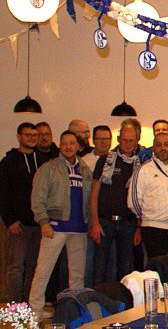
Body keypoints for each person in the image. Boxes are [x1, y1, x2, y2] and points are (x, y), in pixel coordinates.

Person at [28, 132, 91, 318]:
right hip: (54, 228)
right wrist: (43, 222)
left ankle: (75, 310)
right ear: (60, 146)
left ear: (78, 146)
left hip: (79, 228)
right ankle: (35, 309)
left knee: (77, 275)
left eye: (72, 143)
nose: (68, 147)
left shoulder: (85, 169)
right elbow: (37, 198)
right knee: (43, 271)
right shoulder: (48, 168)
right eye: (64, 144)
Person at [1, 123, 50, 303]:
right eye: (28, 135)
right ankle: (13, 304)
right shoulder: (8, 162)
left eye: (35, 135)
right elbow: (3, 193)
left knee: (35, 267)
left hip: (39, 225)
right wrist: (10, 220)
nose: (32, 138)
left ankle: (30, 304)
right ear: (19, 137)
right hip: (18, 225)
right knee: (15, 267)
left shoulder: (44, 161)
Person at [129, 131, 168, 262]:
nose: (163, 148)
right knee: (160, 268)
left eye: (166, 144)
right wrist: (146, 217)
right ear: (153, 148)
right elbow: (134, 201)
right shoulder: (143, 170)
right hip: (154, 228)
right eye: (158, 145)